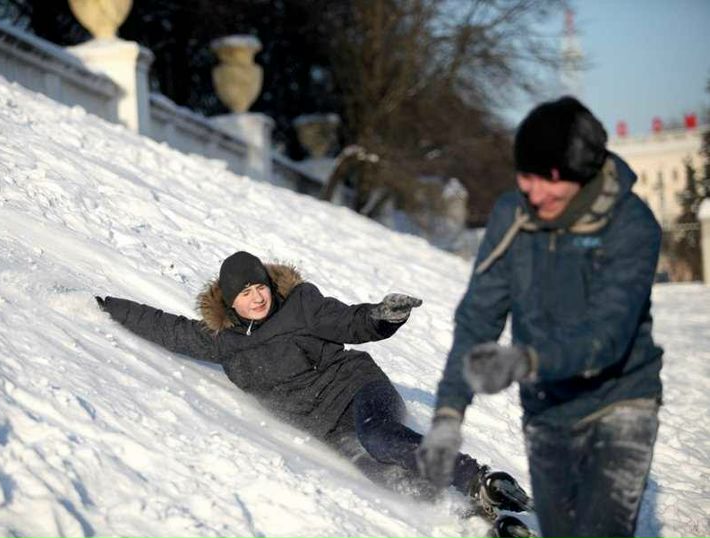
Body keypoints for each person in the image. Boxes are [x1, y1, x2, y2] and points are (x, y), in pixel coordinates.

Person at [97, 251, 528, 515]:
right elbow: (166, 327)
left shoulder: (302, 305)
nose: (257, 297)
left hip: (359, 390)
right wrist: (105, 306)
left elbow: (349, 322)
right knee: (383, 475)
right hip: (327, 428)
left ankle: (476, 478)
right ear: (231, 302)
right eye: (245, 293)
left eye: (259, 286)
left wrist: (380, 317)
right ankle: (468, 514)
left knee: (380, 437)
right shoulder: (224, 342)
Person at [417, 96, 663, 538]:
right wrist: (449, 414)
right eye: (526, 176)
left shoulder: (632, 225)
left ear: (582, 175)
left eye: (548, 180)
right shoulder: (513, 216)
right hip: (548, 408)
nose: (533, 192)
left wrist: (526, 361)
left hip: (620, 400)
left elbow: (607, 335)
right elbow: (478, 317)